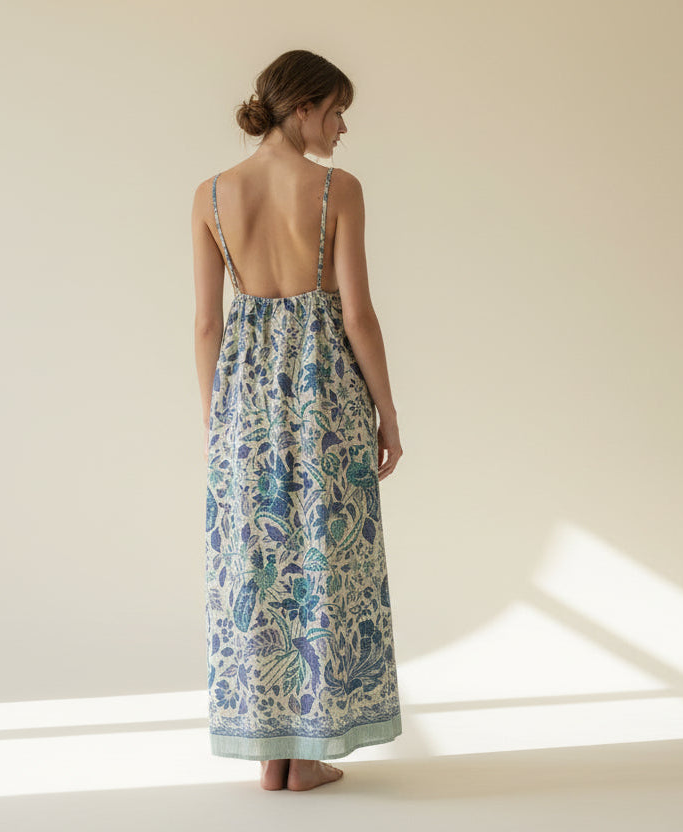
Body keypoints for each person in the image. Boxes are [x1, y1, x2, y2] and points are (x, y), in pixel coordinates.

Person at [192, 49, 403, 791]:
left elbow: (207, 326)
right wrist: (388, 414)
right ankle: (306, 756)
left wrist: (218, 425)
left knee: (257, 567)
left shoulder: (211, 195)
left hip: (243, 405)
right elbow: (358, 314)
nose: (342, 128)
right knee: (325, 560)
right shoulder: (337, 190)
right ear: (304, 107)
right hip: (326, 399)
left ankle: (269, 754)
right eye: (337, 111)